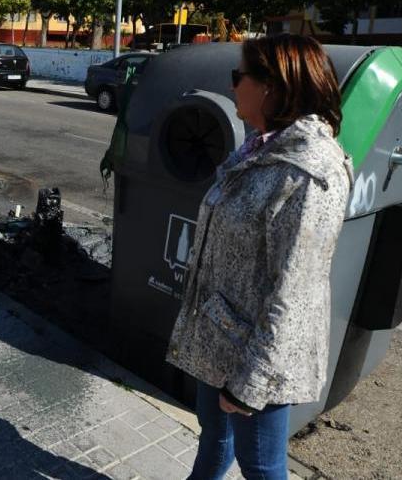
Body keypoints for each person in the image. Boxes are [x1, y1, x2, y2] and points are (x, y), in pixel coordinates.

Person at [166, 34, 353, 479]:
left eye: (239, 77)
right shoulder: (261, 148)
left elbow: (297, 293)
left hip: (257, 357)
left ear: (272, 86)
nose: (232, 87)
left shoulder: (310, 173)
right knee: (214, 437)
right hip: (217, 338)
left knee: (262, 468)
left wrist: (252, 383)